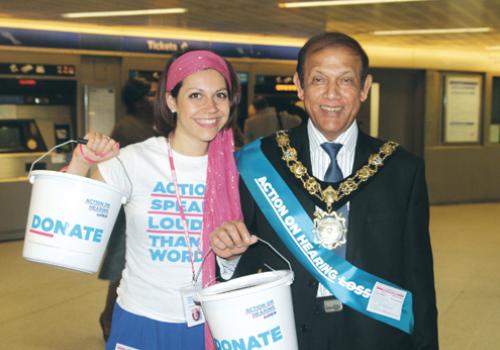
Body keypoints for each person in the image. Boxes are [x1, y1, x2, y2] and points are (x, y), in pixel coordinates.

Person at [210, 32, 438, 350]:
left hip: (375, 335)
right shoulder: (260, 162)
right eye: (319, 79)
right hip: (286, 331)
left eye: (345, 80)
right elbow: (249, 262)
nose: (332, 95)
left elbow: (419, 278)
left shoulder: (401, 169)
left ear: (364, 88)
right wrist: (230, 259)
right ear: (300, 86)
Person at [67, 49, 244, 350]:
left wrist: (232, 254)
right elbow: (72, 229)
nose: (211, 107)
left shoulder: (237, 170)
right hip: (140, 321)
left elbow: (240, 262)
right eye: (196, 96)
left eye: (220, 95)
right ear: (171, 101)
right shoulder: (134, 160)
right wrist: (81, 164)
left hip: (212, 323)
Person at [98, 76, 158, 341]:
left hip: (144, 206)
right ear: (137, 101)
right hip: (129, 211)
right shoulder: (128, 128)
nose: (155, 99)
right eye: (150, 94)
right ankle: (109, 318)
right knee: (122, 268)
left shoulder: (146, 124)